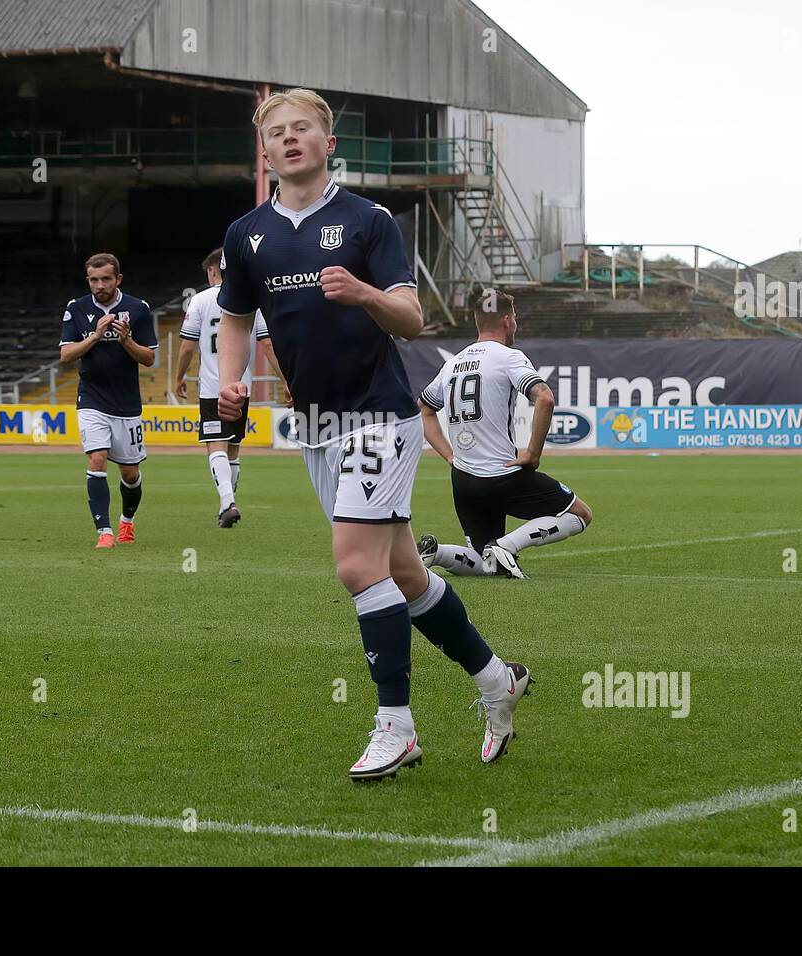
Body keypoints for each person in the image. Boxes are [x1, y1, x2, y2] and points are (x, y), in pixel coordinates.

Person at [216, 89, 532, 780]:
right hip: (319, 426)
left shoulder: (369, 220)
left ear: (329, 144)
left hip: (380, 416)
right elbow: (236, 317)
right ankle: (493, 678)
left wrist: (364, 293)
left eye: (304, 129)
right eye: (277, 132)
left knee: (357, 566)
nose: (290, 138)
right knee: (403, 573)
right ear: (264, 153)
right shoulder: (246, 235)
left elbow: (412, 319)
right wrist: (232, 379)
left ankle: (397, 727)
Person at [417, 289, 594, 580]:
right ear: (507, 321)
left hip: (463, 478)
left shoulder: (452, 363)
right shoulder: (508, 357)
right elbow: (545, 398)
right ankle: (508, 545)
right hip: (501, 474)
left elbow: (424, 407)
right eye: (516, 319)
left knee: (482, 560)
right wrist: (533, 455)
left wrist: (449, 455)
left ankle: (437, 553)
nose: (517, 325)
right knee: (580, 514)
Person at [175, 247, 287, 526]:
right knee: (234, 447)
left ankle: (228, 502)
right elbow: (268, 344)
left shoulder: (200, 301)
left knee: (216, 446)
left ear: (213, 270)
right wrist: (286, 380)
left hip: (214, 386)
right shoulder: (252, 301)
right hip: (242, 386)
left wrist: (179, 377)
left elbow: (187, 346)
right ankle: (227, 503)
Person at [59, 253, 158, 549]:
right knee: (96, 458)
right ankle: (104, 530)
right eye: (94, 280)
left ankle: (127, 521)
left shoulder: (138, 309)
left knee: (130, 473)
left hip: (126, 402)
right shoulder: (76, 309)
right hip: (91, 397)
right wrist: (96, 335)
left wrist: (126, 340)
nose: (100, 285)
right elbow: (65, 355)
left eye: (105, 279)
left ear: (118, 279)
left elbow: (150, 358)